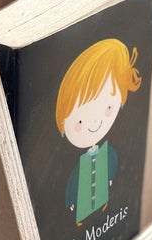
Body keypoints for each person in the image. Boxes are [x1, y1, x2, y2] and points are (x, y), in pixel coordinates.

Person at [56, 38, 142, 225]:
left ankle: (102, 205)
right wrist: (71, 200)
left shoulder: (107, 153)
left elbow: (112, 162)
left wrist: (109, 178)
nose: (95, 122)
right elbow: (74, 180)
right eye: (80, 121)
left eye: (108, 108)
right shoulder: (81, 166)